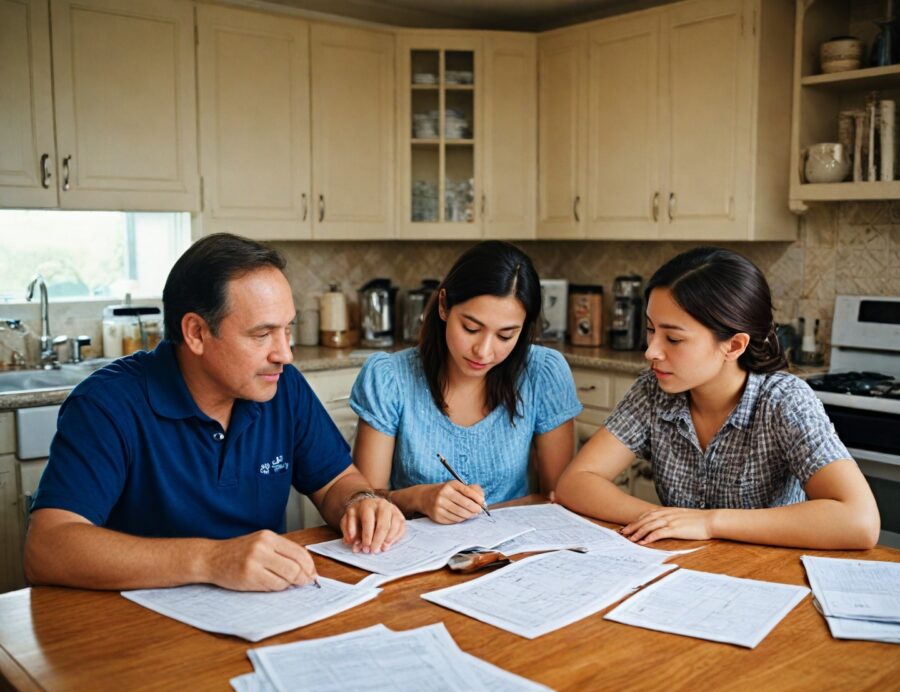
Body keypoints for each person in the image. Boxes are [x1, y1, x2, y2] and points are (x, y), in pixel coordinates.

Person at [24, 234, 405, 592]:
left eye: (287, 329)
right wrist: (210, 559)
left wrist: (360, 504)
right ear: (196, 333)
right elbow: (48, 548)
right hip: (140, 630)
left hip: (264, 609)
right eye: (262, 334)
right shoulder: (106, 404)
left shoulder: (281, 385)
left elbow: (337, 481)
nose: (285, 354)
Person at [556, 247, 880, 550]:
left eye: (673, 338)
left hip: (765, 576)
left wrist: (710, 522)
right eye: (651, 330)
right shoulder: (653, 390)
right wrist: (663, 520)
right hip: (686, 569)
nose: (651, 351)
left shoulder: (784, 401)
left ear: (735, 345)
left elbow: (860, 521)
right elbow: (577, 482)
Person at [350, 241, 582, 524]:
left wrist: (481, 517)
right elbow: (365, 501)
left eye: (506, 336)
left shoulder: (543, 373)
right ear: (444, 305)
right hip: (415, 552)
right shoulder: (389, 378)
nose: (484, 351)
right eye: (471, 328)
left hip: (512, 549)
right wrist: (421, 499)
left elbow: (557, 497)